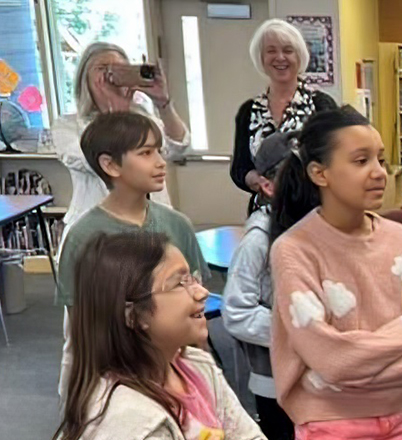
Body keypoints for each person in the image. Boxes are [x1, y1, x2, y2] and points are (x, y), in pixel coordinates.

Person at [268, 107, 402, 440]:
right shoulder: (294, 250)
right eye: (360, 161)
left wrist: (359, 371)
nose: (379, 172)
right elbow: (330, 358)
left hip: (401, 416)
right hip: (329, 422)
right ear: (319, 173)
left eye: (380, 160)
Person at [57, 112, 209, 401]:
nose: (160, 162)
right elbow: (82, 327)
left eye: (159, 151)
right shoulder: (84, 236)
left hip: (173, 368)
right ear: (110, 164)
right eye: (146, 153)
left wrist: (203, 369)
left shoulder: (177, 225)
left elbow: (195, 305)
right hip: (116, 376)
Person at [54, 232, 263, 440]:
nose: (202, 292)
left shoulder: (197, 366)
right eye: (180, 283)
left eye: (192, 278)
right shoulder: (129, 422)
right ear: (133, 314)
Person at [53, 42, 190, 229]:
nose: (110, 76)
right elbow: (99, 163)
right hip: (95, 229)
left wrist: (162, 103)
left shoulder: (143, 119)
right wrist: (116, 116)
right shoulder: (67, 126)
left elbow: (177, 149)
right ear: (85, 78)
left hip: (151, 222)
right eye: (102, 68)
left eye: (118, 69)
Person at [222, 131, 298, 440]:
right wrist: (299, 331)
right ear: (268, 185)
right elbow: (237, 313)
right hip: (275, 383)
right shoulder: (257, 241)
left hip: (316, 377)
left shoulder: (315, 229)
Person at [230, 19, 337, 211]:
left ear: (299, 57)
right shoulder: (248, 111)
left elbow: (337, 159)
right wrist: (257, 181)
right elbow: (240, 168)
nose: (280, 57)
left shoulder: (321, 105)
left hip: (314, 212)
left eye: (288, 50)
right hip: (265, 213)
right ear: (261, 58)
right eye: (271, 51)